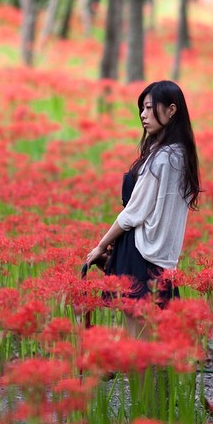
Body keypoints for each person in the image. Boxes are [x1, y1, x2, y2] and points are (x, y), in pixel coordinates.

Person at [85, 80, 201, 330]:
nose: (143, 115)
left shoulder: (162, 159)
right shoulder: (181, 155)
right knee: (153, 337)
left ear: (171, 110)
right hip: (162, 257)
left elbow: (132, 214)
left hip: (139, 254)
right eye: (142, 109)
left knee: (139, 339)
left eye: (149, 108)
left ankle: (104, 362)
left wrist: (101, 246)